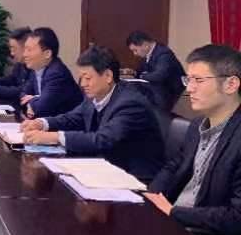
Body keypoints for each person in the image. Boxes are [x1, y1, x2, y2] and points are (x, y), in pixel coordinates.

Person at [21, 45, 164, 182]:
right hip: (105, 168)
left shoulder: (130, 103)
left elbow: (103, 139)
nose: (83, 84)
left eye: (88, 78)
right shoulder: (96, 94)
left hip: (134, 177)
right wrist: (42, 123)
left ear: (108, 76)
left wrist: (55, 137)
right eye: (81, 78)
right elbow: (74, 118)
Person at [145, 44, 241, 235]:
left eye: (198, 80)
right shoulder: (197, 125)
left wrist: (174, 212)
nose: (189, 88)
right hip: (174, 220)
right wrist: (151, 197)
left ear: (231, 84)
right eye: (188, 79)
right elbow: (174, 166)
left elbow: (236, 218)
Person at [20, 27, 83, 118]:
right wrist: (37, 99)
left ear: (47, 54)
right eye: (25, 50)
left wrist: (34, 99)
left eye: (29, 50)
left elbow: (41, 107)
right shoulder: (36, 68)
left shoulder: (57, 74)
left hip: (67, 124)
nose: (24, 54)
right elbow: (23, 94)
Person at [126, 30, 185, 111]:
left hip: (172, 95)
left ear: (145, 45)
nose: (135, 54)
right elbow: (141, 71)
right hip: (159, 92)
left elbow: (159, 76)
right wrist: (133, 72)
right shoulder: (148, 54)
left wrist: (142, 76)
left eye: (135, 50)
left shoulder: (164, 54)